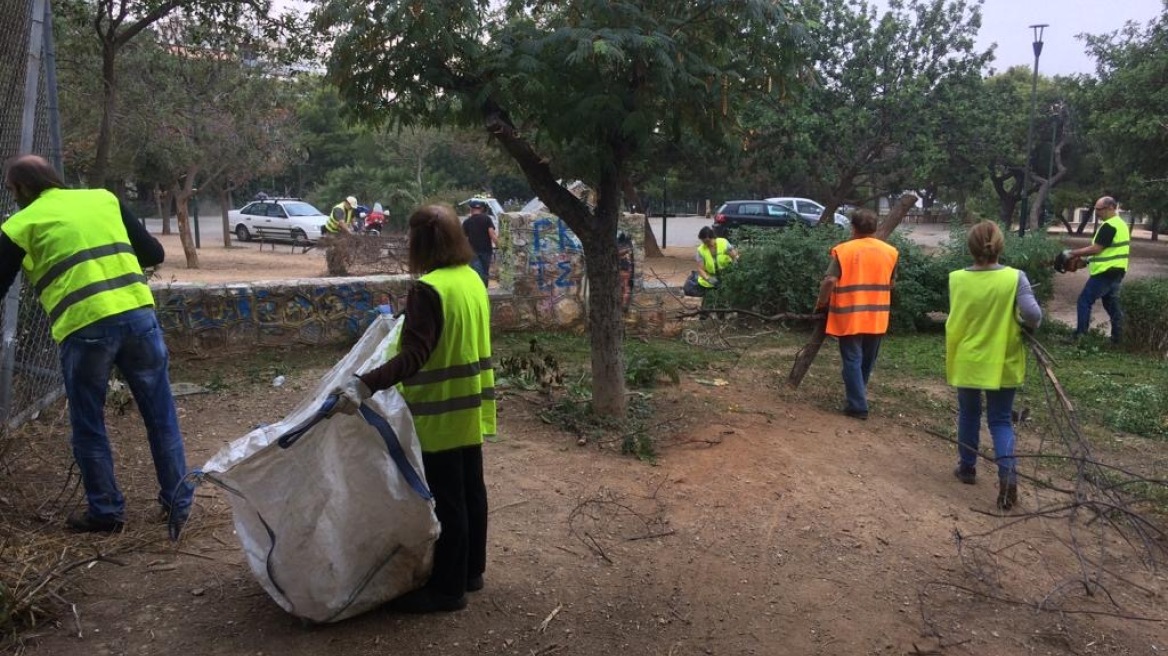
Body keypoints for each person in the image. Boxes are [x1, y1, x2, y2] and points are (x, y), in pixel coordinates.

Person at [0, 154, 194, 537]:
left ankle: (106, 512)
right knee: (161, 416)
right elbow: (153, 254)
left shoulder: (20, 223)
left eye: (13, 191)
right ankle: (178, 504)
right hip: (139, 318)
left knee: (89, 423)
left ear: (21, 189)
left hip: (84, 329)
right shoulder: (103, 199)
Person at [333, 204, 494, 614]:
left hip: (439, 412)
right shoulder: (471, 278)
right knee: (472, 489)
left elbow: (415, 355)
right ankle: (472, 571)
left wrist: (364, 384)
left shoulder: (429, 289)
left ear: (422, 242)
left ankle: (448, 591)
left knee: (449, 500)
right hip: (471, 403)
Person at [947, 221, 1042, 510]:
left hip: (967, 357)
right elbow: (1032, 313)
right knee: (1000, 420)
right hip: (1002, 358)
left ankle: (967, 468)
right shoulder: (1015, 278)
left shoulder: (956, 279)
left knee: (969, 412)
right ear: (1000, 245)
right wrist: (1031, 325)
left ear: (971, 247)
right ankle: (1008, 476)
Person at [814, 209, 898, 420]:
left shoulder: (844, 251)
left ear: (853, 227)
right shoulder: (890, 252)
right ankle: (857, 395)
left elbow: (830, 280)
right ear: (875, 228)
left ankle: (858, 405)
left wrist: (822, 301)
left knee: (852, 358)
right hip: (877, 314)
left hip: (849, 313)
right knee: (866, 361)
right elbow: (891, 282)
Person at [1066, 196, 1129, 344]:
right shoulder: (1120, 224)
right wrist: (1086, 262)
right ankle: (1118, 338)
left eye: (1099, 210)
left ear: (1111, 208)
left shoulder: (1109, 226)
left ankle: (1080, 336)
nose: (1097, 213)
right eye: (1096, 209)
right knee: (1111, 304)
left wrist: (1072, 253)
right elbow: (1107, 251)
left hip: (1105, 272)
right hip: (1116, 271)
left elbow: (1096, 248)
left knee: (1084, 300)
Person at [461, 200, 497, 286]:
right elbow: (492, 234)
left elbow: (464, 239)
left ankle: (478, 290)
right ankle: (485, 291)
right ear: (481, 208)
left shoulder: (467, 222)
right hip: (486, 250)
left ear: (471, 209)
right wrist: (499, 245)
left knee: (476, 273)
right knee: (485, 271)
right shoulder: (487, 219)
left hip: (473, 251)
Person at [695, 226, 738, 292]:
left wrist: (734, 270)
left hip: (726, 276)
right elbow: (700, 269)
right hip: (711, 280)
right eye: (704, 242)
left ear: (713, 237)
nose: (706, 244)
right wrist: (709, 279)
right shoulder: (700, 250)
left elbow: (734, 256)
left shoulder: (723, 242)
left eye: (708, 241)